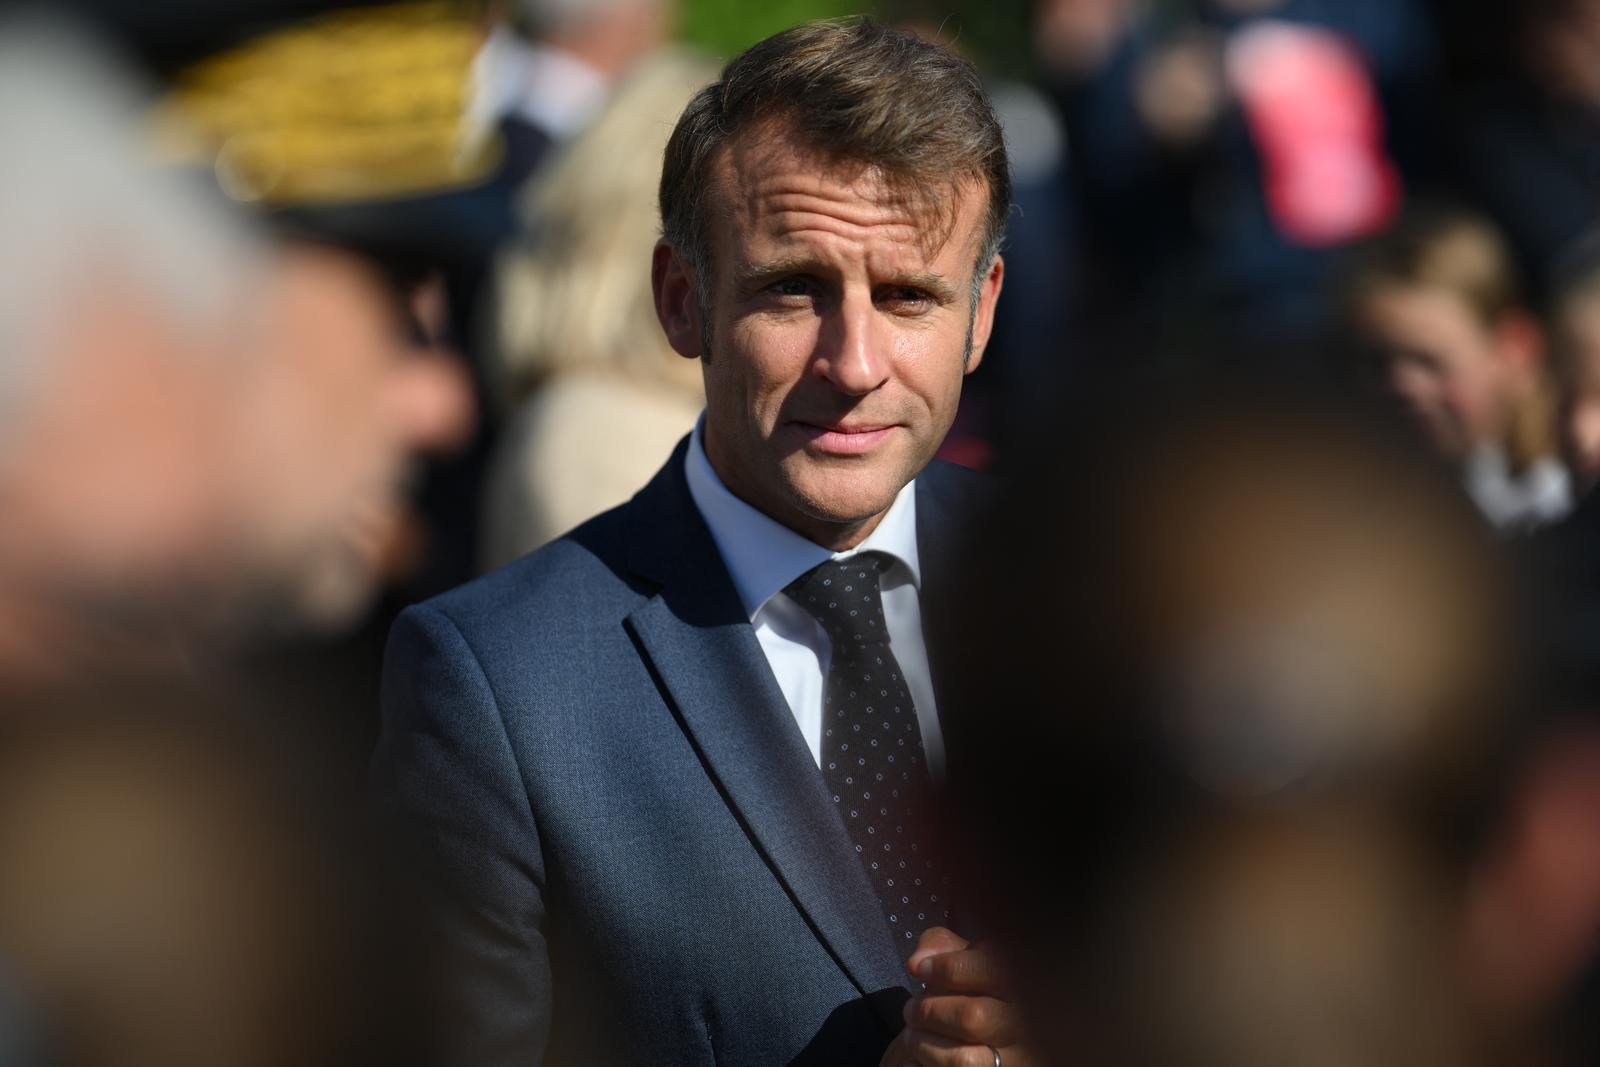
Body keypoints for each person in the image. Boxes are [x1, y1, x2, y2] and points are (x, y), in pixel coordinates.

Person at [372, 18, 1036, 1066]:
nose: (854, 361)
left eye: (908, 295)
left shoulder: (1077, 589)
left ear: (981, 312)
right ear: (683, 299)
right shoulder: (495, 683)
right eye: (792, 288)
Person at [1345, 206, 1572, 530]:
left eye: (1428, 361)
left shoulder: (1568, 498)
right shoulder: (1347, 513)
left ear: (1517, 349)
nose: (1403, 385)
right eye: (1375, 364)